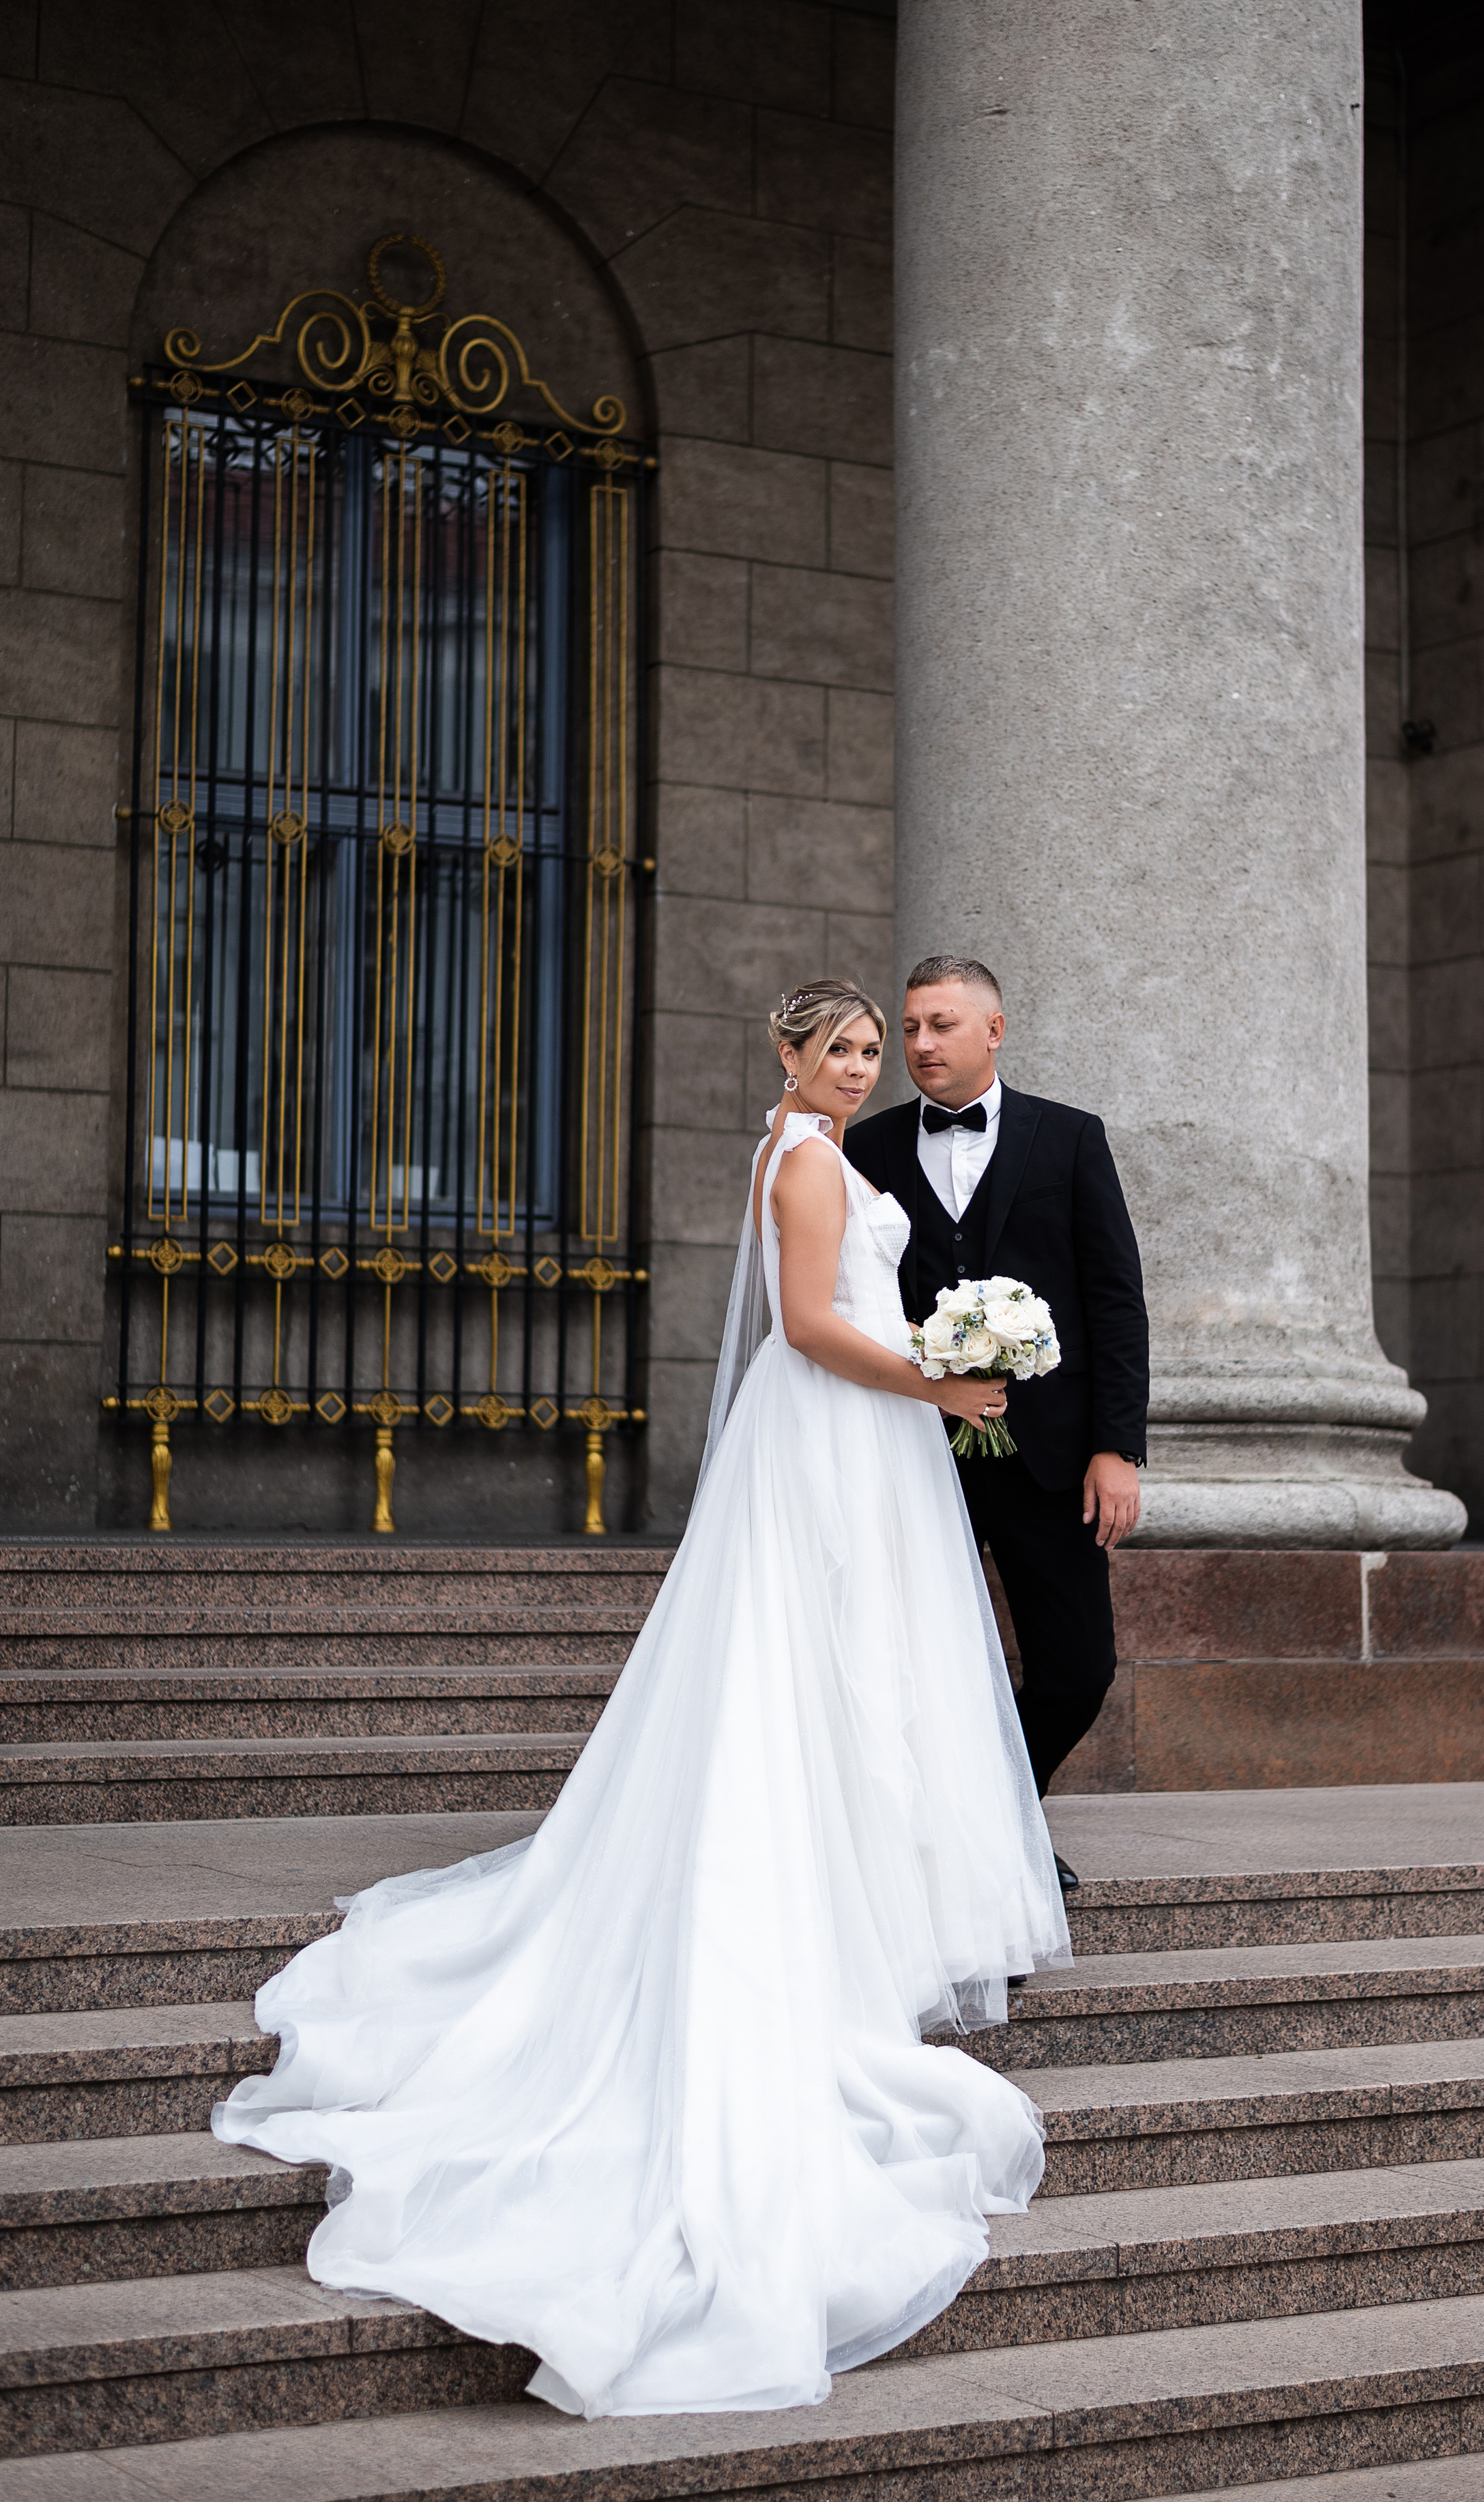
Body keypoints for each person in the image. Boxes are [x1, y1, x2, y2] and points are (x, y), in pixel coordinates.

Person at [211, 977, 1068, 2421]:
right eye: (838, 1047)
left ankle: (854, 1903)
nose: (860, 1068)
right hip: (838, 1434)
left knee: (860, 1679)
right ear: (788, 1055)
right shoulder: (801, 1161)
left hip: (869, 1445)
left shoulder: (823, 1154)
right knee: (812, 1671)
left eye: (873, 1049)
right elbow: (804, 1328)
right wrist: (942, 1381)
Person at [847, 955, 1149, 1860]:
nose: (920, 1044)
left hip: (1049, 1455)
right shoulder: (865, 1148)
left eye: (940, 1024)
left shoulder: (1070, 1138)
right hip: (908, 1444)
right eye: (909, 1027)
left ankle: (997, 1819)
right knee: (913, 1663)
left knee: (1077, 1667)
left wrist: (1117, 1447)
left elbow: (1115, 1300)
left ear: (994, 1029)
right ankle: (971, 1857)